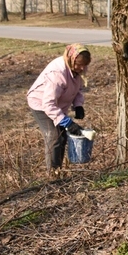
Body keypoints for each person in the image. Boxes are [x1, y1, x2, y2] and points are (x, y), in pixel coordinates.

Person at [27, 43, 91, 174]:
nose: (82, 68)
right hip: (41, 104)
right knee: (54, 136)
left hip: (58, 105)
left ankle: (59, 169)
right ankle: (53, 174)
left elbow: (78, 88)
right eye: (79, 64)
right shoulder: (57, 73)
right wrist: (67, 122)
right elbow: (48, 104)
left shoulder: (79, 68)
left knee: (63, 136)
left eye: (85, 64)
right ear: (71, 59)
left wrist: (78, 105)